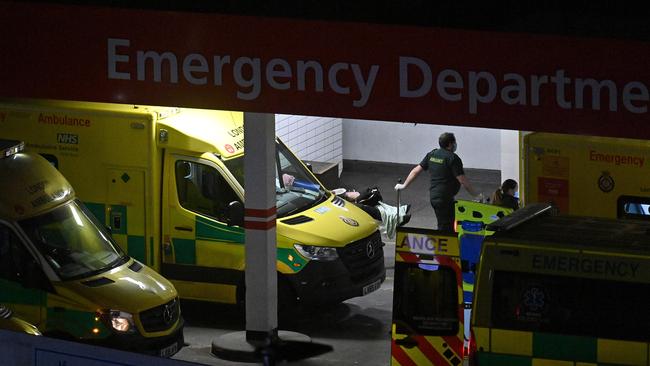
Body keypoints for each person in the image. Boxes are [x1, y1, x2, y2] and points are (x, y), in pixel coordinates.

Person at [394, 132, 480, 231]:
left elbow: (415, 171)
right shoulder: (453, 158)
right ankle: (443, 245)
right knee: (446, 228)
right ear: (450, 144)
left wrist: (404, 185)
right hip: (445, 199)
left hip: (434, 197)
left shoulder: (432, 154)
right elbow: (463, 180)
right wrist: (475, 195)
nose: (455, 144)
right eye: (454, 142)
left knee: (444, 224)